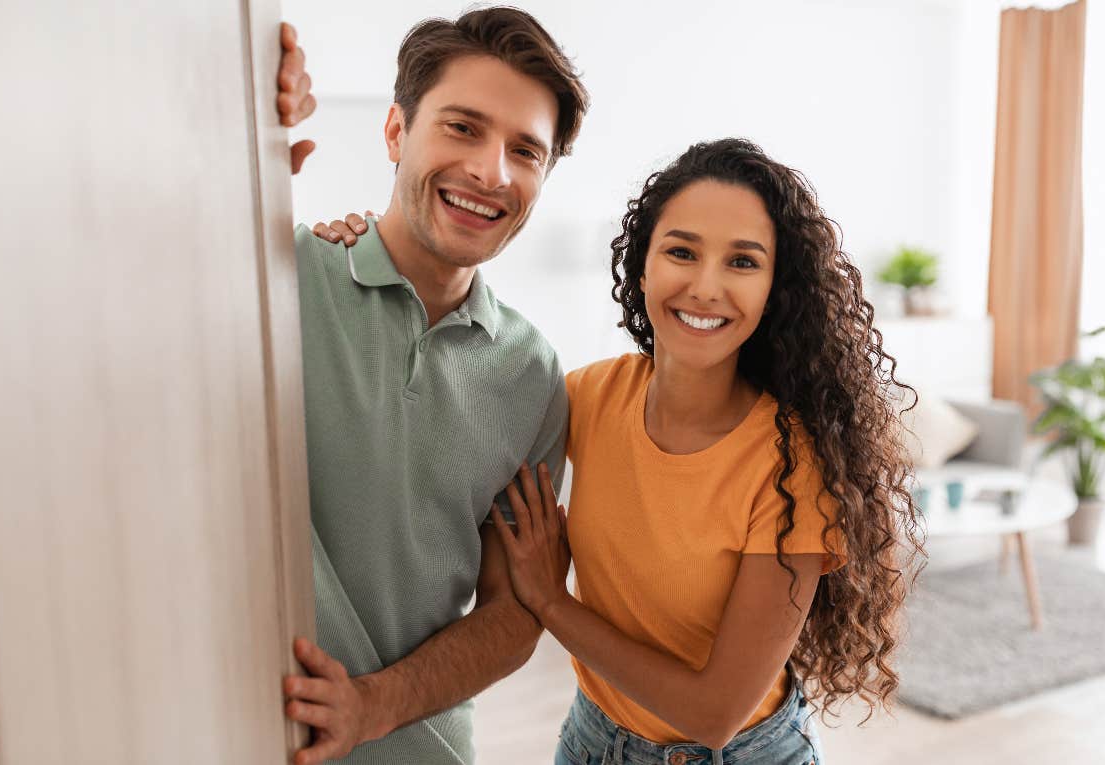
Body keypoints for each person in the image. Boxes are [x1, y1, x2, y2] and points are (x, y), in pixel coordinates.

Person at [316, 139, 924, 764]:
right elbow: (447, 415)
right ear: (642, 268)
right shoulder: (588, 397)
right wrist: (356, 254)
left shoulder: (793, 466)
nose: (706, 286)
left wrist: (554, 604)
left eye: (743, 262)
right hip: (591, 740)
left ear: (775, 290)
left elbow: (712, 713)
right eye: (682, 252)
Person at [275, 8, 591, 765]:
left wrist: (374, 706)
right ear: (395, 132)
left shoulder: (533, 375)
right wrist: (240, 125)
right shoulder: (279, 282)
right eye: (462, 127)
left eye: (527, 150)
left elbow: (515, 612)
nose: (493, 172)